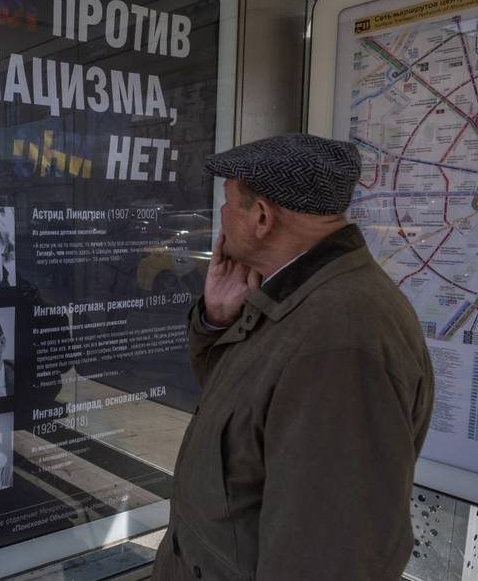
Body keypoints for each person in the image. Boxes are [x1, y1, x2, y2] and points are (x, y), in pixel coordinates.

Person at [153, 134, 435, 580]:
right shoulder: (293, 293)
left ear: (262, 217)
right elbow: (237, 413)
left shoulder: (339, 344)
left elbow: (331, 557)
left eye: (227, 204)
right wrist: (216, 320)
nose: (220, 217)